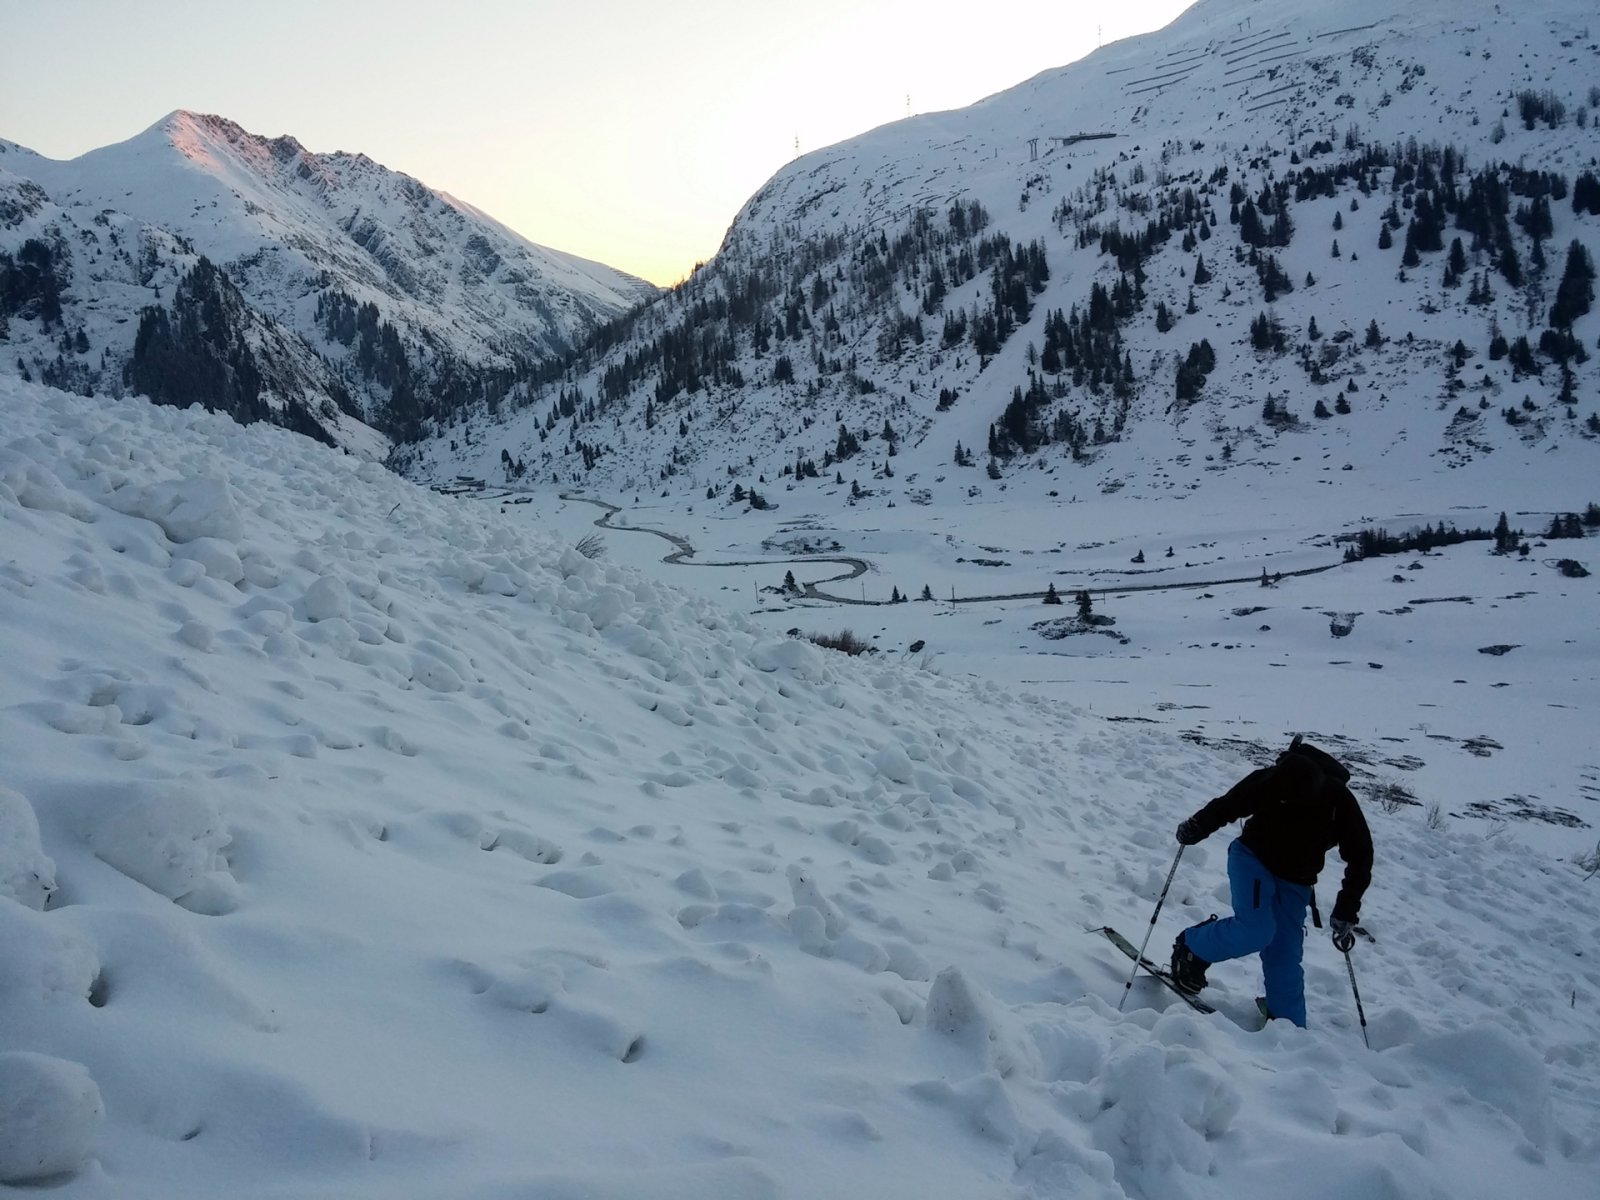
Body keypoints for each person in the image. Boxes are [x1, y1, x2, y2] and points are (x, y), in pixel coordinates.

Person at [1169, 735, 1373, 1027]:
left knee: (1285, 953)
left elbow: (1361, 856)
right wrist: (1196, 827)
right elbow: (1228, 805)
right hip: (1251, 859)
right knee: (1256, 930)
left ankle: (1288, 1026)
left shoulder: (1338, 801)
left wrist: (1346, 909)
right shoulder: (1271, 779)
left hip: (1297, 879)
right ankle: (1192, 946)